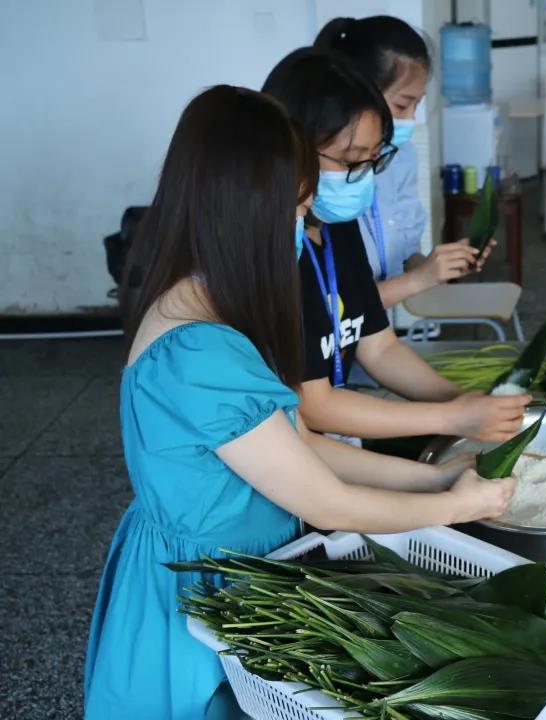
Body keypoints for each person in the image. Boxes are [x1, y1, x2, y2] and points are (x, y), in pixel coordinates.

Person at [83, 86, 516, 719]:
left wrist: (433, 477)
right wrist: (457, 506)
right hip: (200, 590)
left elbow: (300, 444)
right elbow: (323, 500)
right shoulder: (199, 351)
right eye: (298, 209)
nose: (304, 227)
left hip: (239, 569)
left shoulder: (208, 303)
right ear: (247, 211)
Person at [262, 49, 530, 444]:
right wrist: (452, 417)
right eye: (349, 162)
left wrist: (463, 402)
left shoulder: (338, 225)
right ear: (292, 149)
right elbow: (313, 404)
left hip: (335, 440)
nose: (362, 178)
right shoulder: (276, 252)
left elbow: (379, 348)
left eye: (372, 161)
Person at [315, 16, 477, 310]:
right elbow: (333, 310)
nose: (410, 119)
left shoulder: (402, 157)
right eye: (402, 105)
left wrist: (440, 266)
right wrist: (418, 280)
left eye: (418, 104)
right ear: (359, 90)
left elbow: (406, 254)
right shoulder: (326, 187)